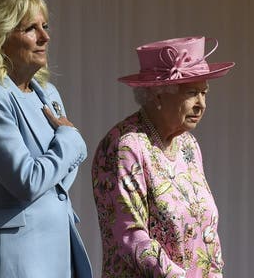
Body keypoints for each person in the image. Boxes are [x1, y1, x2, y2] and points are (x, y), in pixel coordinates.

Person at [0, 0, 92, 278]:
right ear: (0, 37)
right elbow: (27, 180)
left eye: (45, 26)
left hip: (57, 251)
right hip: (14, 256)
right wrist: (69, 139)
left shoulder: (48, 93)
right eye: (30, 29)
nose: (45, 37)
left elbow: (64, 176)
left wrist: (65, 150)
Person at [91, 36, 233, 277]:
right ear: (158, 95)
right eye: (192, 93)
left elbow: (206, 229)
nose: (202, 104)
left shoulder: (188, 144)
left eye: (204, 93)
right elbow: (130, 235)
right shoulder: (125, 145)